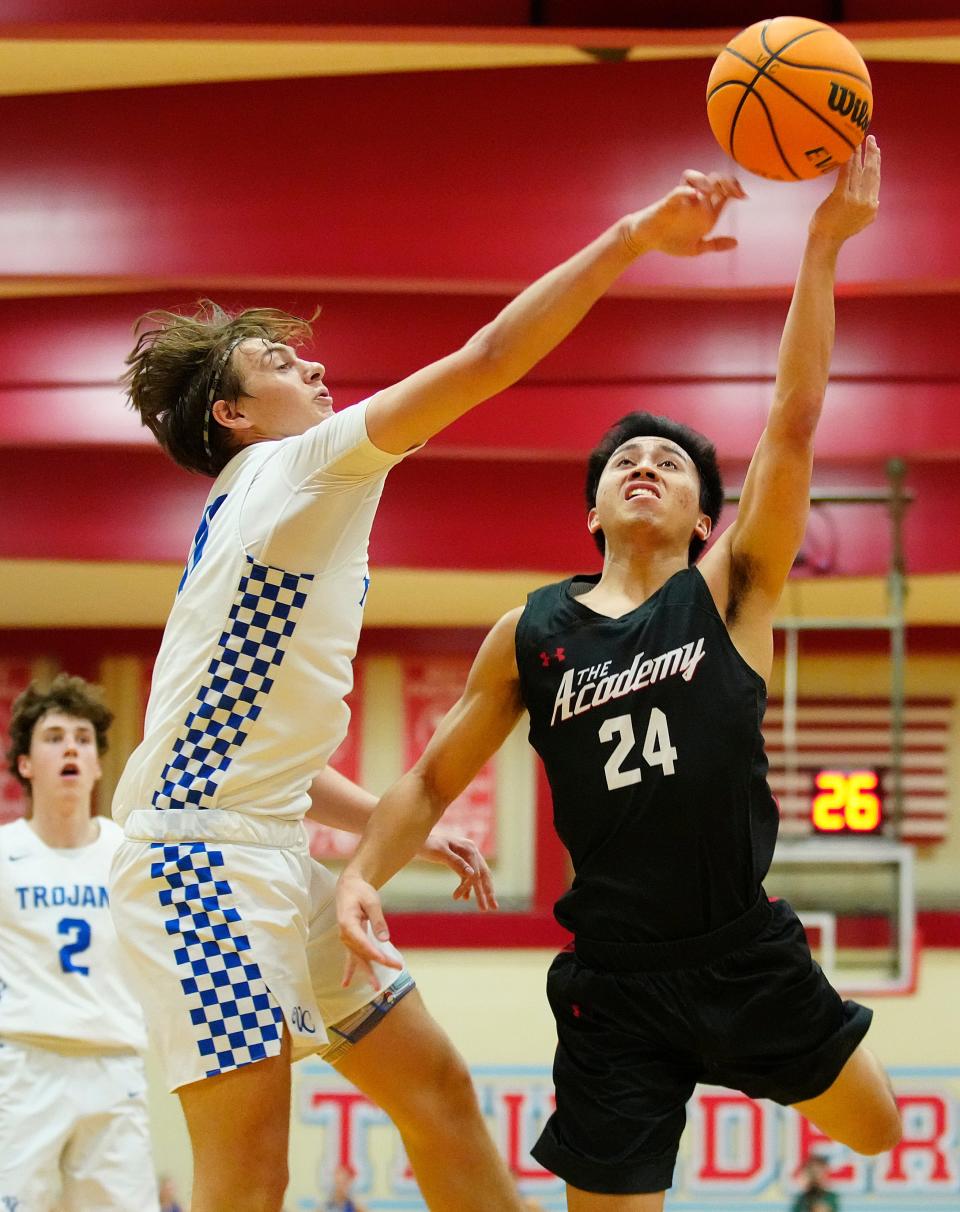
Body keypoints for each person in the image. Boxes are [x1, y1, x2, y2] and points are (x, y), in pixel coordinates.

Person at [109, 164, 745, 1212]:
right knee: (250, 1173)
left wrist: (384, 818)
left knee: (438, 1088)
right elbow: (489, 358)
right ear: (231, 411)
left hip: (263, 844)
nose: (312, 365)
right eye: (280, 360)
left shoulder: (261, 512)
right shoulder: (298, 467)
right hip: (196, 864)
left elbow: (238, 741)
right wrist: (631, 235)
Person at [336, 137, 902, 1212]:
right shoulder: (531, 631)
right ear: (593, 509)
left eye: (672, 464)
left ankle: (742, 1052)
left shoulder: (731, 591)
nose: (645, 466)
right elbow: (425, 780)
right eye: (622, 465)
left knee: (873, 1132)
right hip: (615, 978)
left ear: (704, 517)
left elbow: (794, 414)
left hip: (743, 948)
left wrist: (821, 249)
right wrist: (364, 872)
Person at [0, 674, 160, 1212]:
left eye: (83, 738)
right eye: (53, 737)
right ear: (24, 763)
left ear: (96, 765)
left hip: (114, 1066)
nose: (71, 746)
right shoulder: (3, 854)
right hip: (22, 1066)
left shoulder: (130, 854)